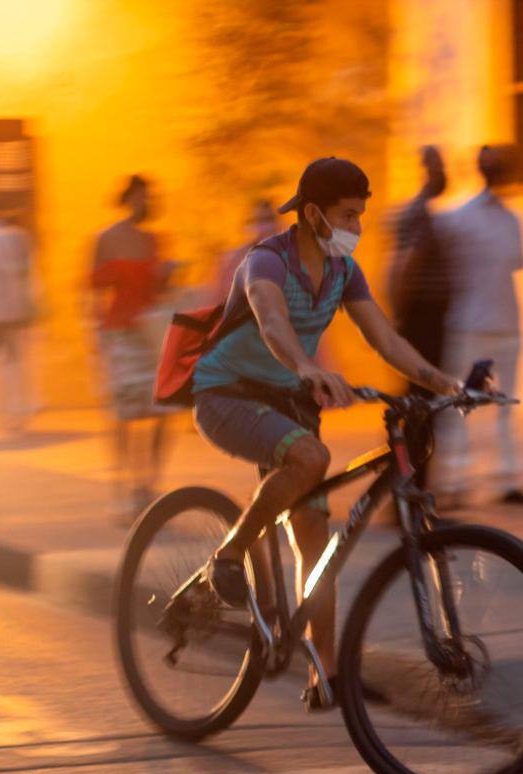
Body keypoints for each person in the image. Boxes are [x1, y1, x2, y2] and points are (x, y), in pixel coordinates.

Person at [191, 157, 463, 708]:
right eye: (347, 215)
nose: (357, 227)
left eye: (361, 215)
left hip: (289, 401)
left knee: (317, 541)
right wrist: (307, 367)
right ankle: (229, 554)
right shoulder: (265, 262)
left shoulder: (343, 271)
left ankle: (328, 676)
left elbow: (385, 339)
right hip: (228, 395)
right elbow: (272, 323)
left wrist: (444, 384)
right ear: (312, 214)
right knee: (311, 458)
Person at [433, 145, 523, 506]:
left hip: (505, 324)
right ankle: (457, 478)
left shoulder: (513, 219)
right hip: (471, 326)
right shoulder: (456, 219)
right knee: (464, 401)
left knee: (506, 403)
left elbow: (519, 262)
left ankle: (508, 477)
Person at [91, 176, 178, 514]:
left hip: (150, 333)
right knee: (124, 414)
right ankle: (124, 486)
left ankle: (150, 483)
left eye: (150, 197)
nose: (146, 202)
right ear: (128, 199)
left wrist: (169, 273)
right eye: (141, 197)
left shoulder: (155, 239)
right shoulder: (107, 238)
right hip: (119, 334)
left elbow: (161, 292)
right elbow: (93, 291)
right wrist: (96, 338)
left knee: (163, 410)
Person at [388, 146, 451, 490]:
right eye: (438, 166)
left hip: (420, 318)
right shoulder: (420, 215)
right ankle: (411, 487)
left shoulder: (418, 212)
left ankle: (409, 484)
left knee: (420, 405)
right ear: (425, 170)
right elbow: (407, 266)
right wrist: (400, 316)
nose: (444, 173)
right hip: (423, 320)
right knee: (421, 408)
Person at [0, 204, 34, 436]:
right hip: (6, 311)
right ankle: (13, 415)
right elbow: (14, 274)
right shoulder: (5, 238)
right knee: (10, 365)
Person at [210, 199, 280, 304]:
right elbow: (220, 301)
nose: (264, 227)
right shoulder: (233, 262)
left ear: (277, 223)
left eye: (269, 219)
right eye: (258, 221)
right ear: (248, 225)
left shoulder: (291, 256)